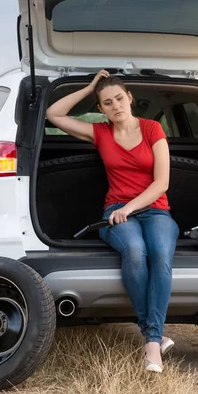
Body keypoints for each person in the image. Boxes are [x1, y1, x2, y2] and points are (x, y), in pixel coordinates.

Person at [46, 70, 179, 373]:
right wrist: (90, 87)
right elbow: (54, 113)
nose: (116, 105)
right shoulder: (100, 133)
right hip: (115, 210)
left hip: (155, 209)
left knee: (160, 254)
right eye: (107, 102)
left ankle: (151, 339)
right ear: (101, 109)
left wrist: (131, 208)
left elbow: (162, 183)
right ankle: (153, 341)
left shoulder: (152, 129)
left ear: (130, 98)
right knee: (134, 251)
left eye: (119, 98)